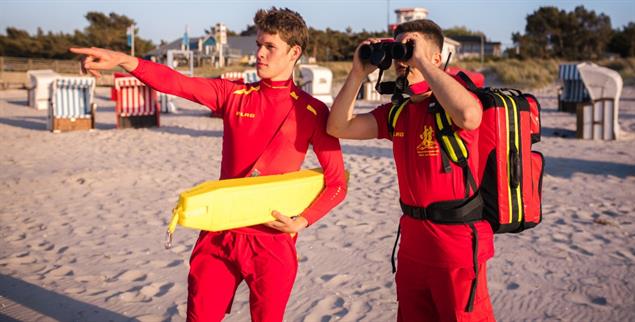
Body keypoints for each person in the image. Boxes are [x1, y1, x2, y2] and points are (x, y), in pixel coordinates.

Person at [71, 7, 347, 322]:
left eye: (270, 47)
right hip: (220, 232)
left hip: (272, 242)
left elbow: (337, 183)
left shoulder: (312, 112)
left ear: (294, 52)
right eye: (258, 45)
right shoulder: (233, 95)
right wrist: (124, 60)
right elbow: (175, 82)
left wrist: (301, 222)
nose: (259, 54)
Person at [327, 19, 495, 321]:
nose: (403, 62)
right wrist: (356, 74)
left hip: (456, 249)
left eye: (411, 51)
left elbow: (470, 116)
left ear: (436, 59)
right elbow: (339, 126)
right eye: (401, 54)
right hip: (413, 248)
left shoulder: (454, 105)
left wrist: (422, 63)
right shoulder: (399, 112)